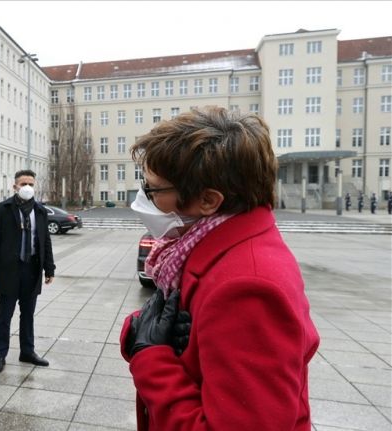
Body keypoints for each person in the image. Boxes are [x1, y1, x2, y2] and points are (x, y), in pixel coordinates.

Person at [121, 107, 319, 430]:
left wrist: (153, 359)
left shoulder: (247, 287)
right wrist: (139, 332)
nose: (144, 199)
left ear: (209, 201)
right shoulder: (205, 246)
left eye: (154, 190)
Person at [0, 169, 55, 373]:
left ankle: (27, 351)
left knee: (28, 315)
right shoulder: (3, 209)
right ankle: (0, 354)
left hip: (31, 270)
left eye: (31, 184)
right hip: (9, 271)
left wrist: (49, 268)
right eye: (23, 184)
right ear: (15, 186)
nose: (27, 187)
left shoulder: (40, 211)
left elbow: (45, 241)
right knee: (5, 315)